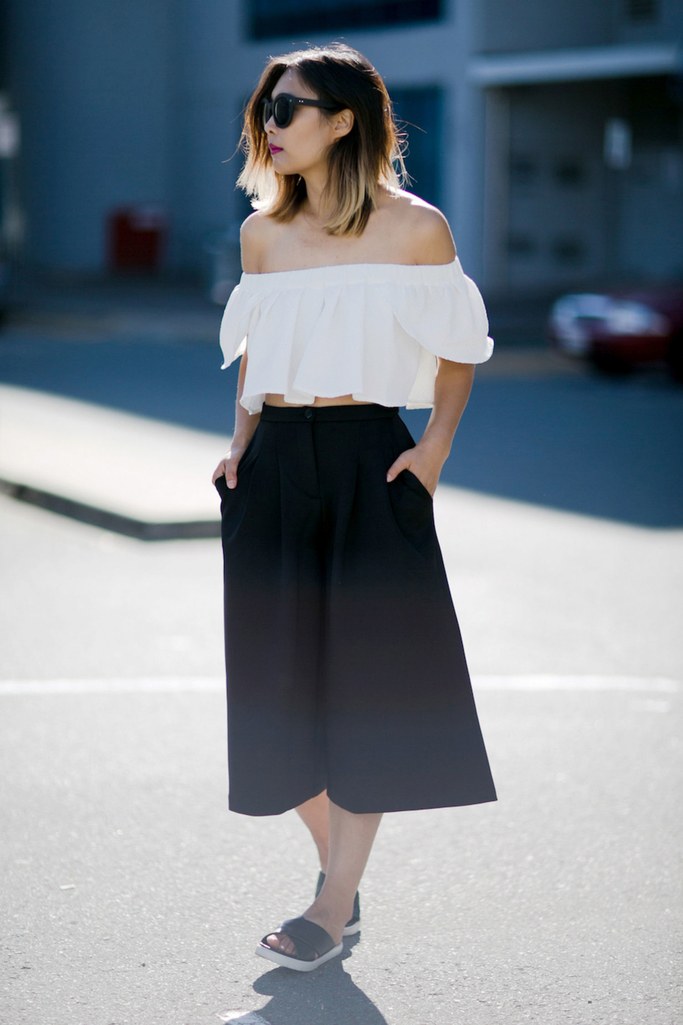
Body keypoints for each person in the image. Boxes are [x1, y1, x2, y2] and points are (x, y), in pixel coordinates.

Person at [212, 42, 496, 973]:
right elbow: (259, 350)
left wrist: (433, 452)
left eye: (288, 109)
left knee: (365, 685)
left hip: (372, 459)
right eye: (265, 109)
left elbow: (459, 345)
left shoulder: (416, 229)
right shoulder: (262, 234)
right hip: (273, 463)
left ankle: (330, 905)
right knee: (270, 684)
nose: (270, 125)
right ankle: (343, 866)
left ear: (344, 121)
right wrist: (242, 445)